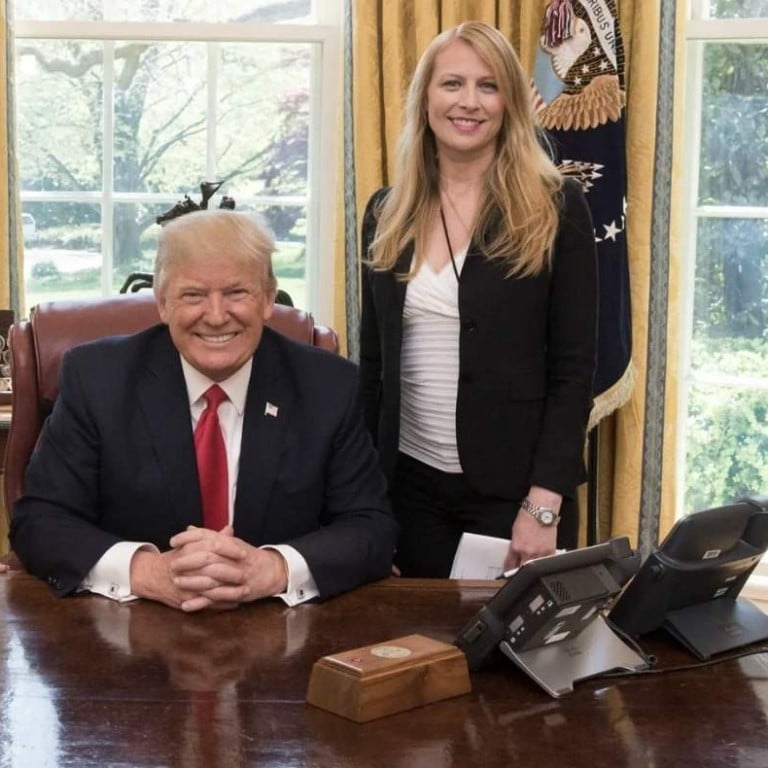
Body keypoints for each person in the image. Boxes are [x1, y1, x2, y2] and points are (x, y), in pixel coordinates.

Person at [10, 208, 398, 610]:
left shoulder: (327, 385)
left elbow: (371, 527)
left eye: (237, 293)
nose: (215, 317)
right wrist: (148, 571)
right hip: (130, 624)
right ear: (162, 303)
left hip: (279, 624)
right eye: (193, 295)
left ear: (268, 299)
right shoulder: (97, 379)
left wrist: (273, 569)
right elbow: (39, 520)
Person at [359, 21, 598, 578]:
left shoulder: (556, 206)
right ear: (425, 99)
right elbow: (373, 369)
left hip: (516, 497)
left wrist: (543, 505)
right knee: (412, 634)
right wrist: (362, 505)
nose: (469, 102)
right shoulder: (385, 211)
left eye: (488, 86)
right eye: (452, 84)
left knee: (504, 637)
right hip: (408, 492)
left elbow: (574, 371)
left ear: (509, 102)